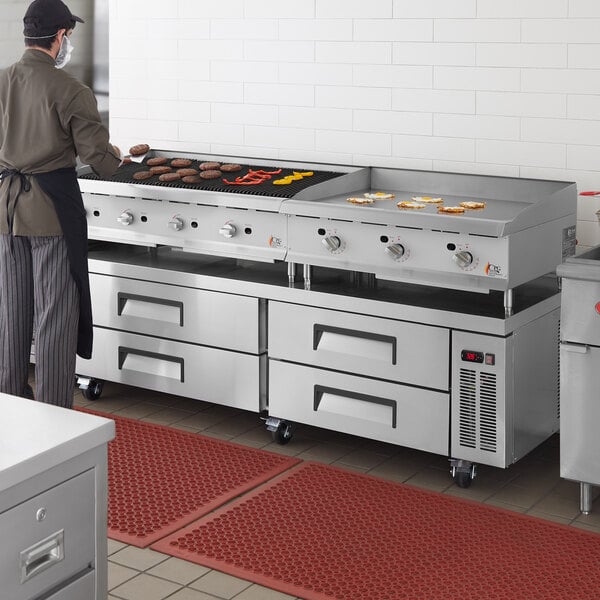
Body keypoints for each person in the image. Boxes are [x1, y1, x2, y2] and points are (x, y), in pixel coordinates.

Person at [0, 0, 122, 408]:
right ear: (59, 36)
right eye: (68, 34)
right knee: (55, 313)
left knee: (11, 314)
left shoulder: (1, 81)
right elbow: (100, 160)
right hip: (50, 214)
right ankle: (54, 414)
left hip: (4, 211)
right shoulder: (70, 89)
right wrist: (118, 155)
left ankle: (11, 403)